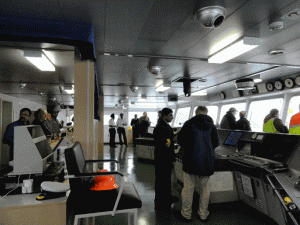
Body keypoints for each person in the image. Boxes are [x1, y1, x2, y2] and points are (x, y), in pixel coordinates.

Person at [176, 106, 220, 222]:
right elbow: (216, 143)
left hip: (190, 161)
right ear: (206, 113)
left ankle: (186, 214)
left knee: (188, 189)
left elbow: (180, 140)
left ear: (196, 113)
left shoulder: (188, 124)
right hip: (207, 162)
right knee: (205, 189)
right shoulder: (212, 126)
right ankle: (203, 214)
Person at [153, 108, 178, 212]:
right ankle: (161, 199)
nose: (172, 117)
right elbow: (166, 143)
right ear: (164, 116)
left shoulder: (165, 126)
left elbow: (169, 138)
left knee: (166, 178)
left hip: (165, 157)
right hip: (162, 157)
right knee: (161, 179)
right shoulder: (160, 127)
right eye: (170, 115)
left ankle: (167, 196)